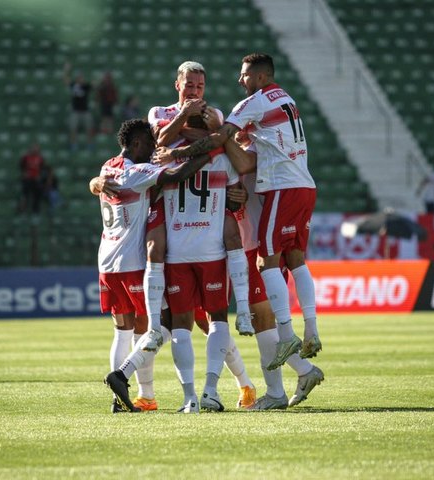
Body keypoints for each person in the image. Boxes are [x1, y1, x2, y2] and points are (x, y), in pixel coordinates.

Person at [155, 53, 322, 371]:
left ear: (260, 77)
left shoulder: (252, 104)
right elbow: (243, 160)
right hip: (303, 185)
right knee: (296, 259)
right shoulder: (283, 100)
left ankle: (287, 336)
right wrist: (230, 138)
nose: (239, 80)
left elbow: (220, 138)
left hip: (279, 190)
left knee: (266, 262)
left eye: (244, 75)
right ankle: (310, 332)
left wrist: (181, 150)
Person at [96, 119, 212, 412]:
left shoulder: (108, 166)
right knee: (164, 327)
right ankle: (122, 376)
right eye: (149, 143)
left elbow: (96, 184)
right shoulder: (138, 171)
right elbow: (178, 174)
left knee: (123, 331)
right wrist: (210, 151)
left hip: (106, 261)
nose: (153, 148)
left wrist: (93, 183)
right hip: (132, 262)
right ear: (136, 144)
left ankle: (132, 398)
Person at [225, 130, 324, 410]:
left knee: (263, 320)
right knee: (261, 322)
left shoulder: (257, 152)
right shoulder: (239, 152)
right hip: (246, 244)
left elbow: (248, 173)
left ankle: (277, 392)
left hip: (261, 244)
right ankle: (304, 372)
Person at [63, 62, 94, 150]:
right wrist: (66, 70)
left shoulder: (86, 86)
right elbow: (65, 80)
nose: (81, 79)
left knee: (89, 128)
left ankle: (90, 144)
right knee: (73, 128)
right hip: (75, 110)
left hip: (85, 110)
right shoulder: (74, 85)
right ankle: (73, 144)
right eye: (79, 78)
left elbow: (95, 84)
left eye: (82, 77)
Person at [19, 144, 45, 214]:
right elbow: (22, 166)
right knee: (26, 188)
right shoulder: (26, 157)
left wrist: (39, 175)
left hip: (36, 178)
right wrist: (24, 173)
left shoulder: (40, 158)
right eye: (33, 148)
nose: (35, 150)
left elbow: (42, 168)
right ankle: (23, 205)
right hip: (28, 178)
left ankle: (36, 208)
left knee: (39, 189)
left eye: (36, 149)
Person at [96, 71, 118, 135]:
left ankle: (109, 131)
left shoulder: (112, 86)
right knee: (104, 118)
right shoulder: (102, 86)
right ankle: (104, 130)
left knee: (110, 118)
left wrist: (116, 102)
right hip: (104, 103)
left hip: (110, 104)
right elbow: (98, 95)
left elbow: (115, 95)